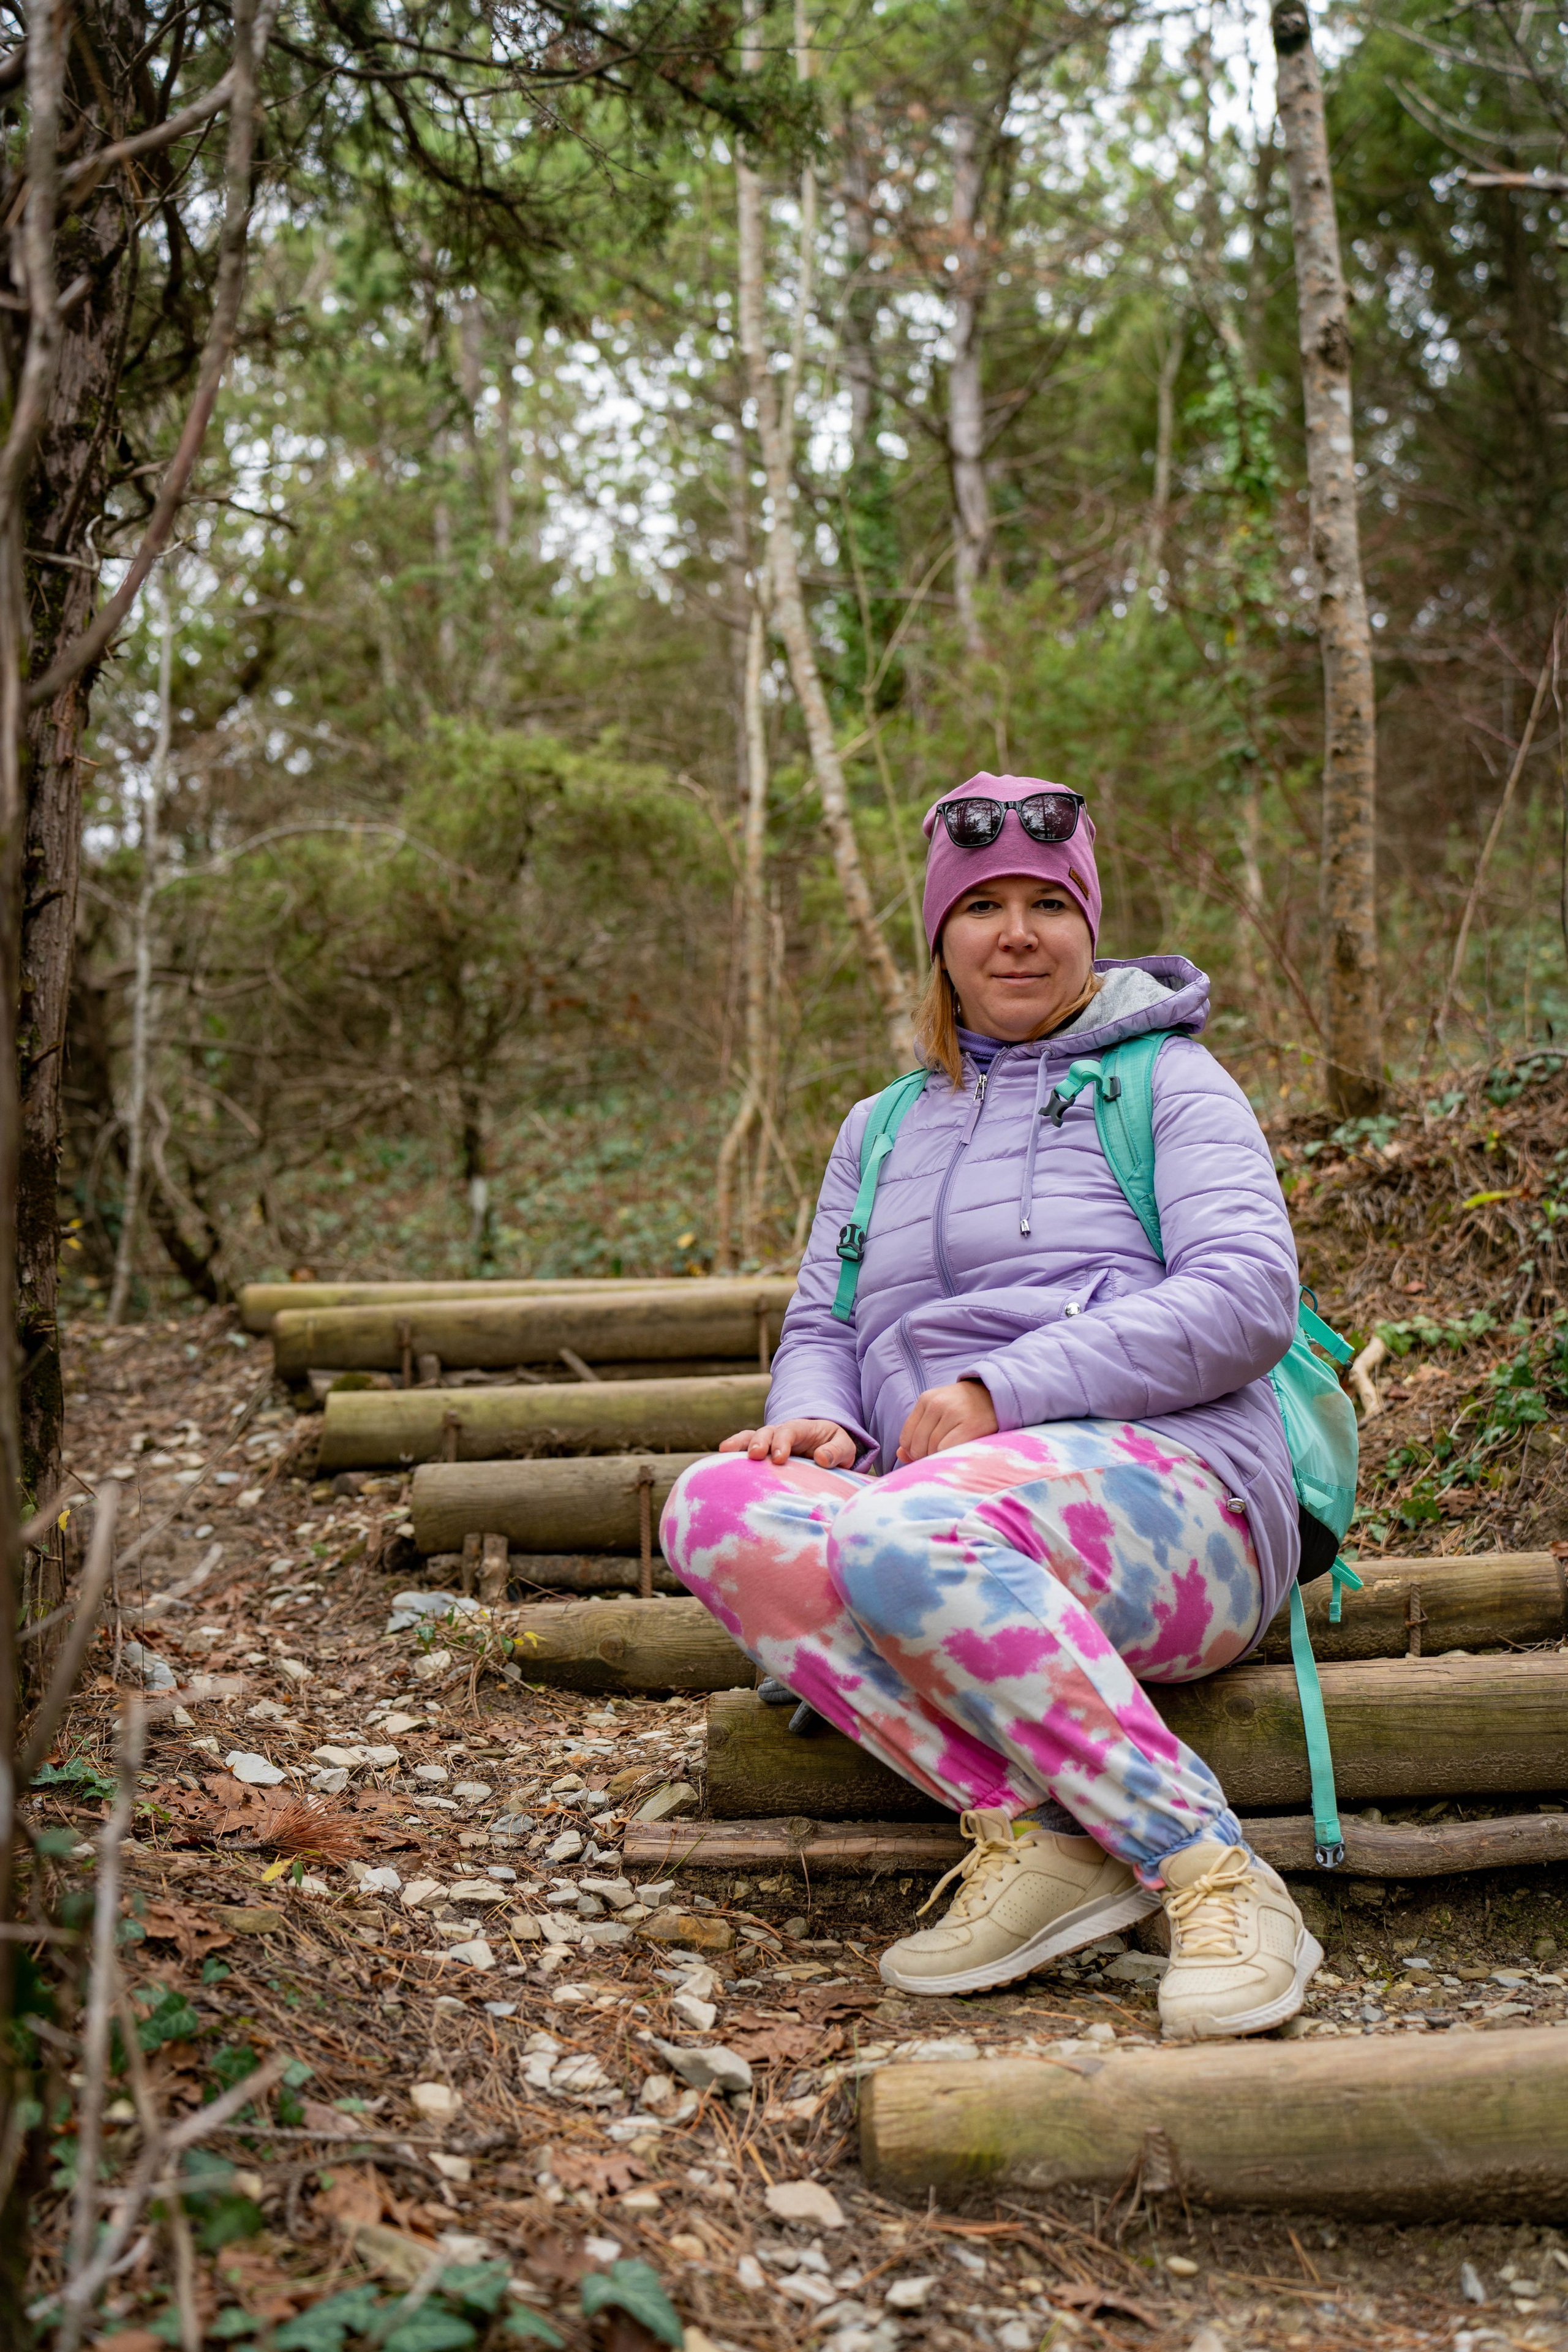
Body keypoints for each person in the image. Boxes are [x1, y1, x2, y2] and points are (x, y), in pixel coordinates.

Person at [660, 774, 1321, 2040]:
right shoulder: (880, 1125)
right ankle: (1037, 1838)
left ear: (1086, 926)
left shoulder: (1167, 1085)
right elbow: (824, 1327)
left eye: (1044, 904)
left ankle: (1212, 1872)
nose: (1014, 932)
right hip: (929, 1509)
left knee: (898, 1531)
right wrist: (816, 1421)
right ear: (939, 938)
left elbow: (1247, 1298)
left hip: (1184, 1503)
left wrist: (999, 1390)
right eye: (981, 908)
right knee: (716, 1504)